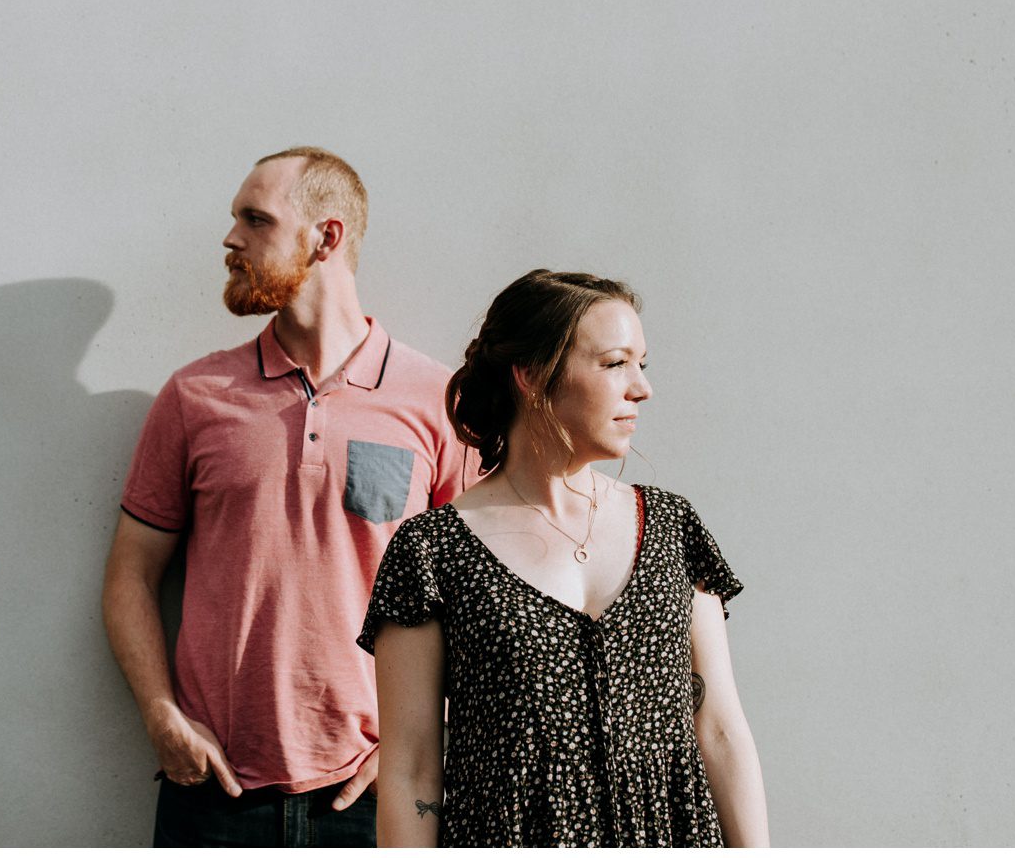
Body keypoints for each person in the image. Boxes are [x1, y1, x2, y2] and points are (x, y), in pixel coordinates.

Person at [102, 147, 467, 847]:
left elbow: (481, 596)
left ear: (326, 237)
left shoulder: (438, 402)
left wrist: (426, 736)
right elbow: (130, 573)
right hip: (214, 792)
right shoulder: (195, 396)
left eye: (255, 220)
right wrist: (160, 713)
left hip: (378, 795)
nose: (230, 239)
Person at [361, 269, 769, 846]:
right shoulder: (431, 552)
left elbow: (721, 731)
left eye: (641, 364)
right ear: (531, 374)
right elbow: (411, 769)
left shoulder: (673, 527)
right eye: (615, 363)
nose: (642, 388)